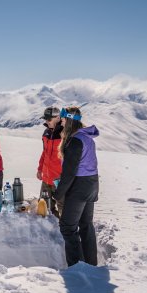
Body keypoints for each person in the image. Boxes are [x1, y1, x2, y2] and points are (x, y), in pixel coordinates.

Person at [53, 106, 99, 267]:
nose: (61, 121)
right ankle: (91, 265)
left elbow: (69, 172)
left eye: (64, 119)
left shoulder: (74, 141)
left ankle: (77, 268)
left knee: (67, 227)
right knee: (86, 225)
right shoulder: (86, 137)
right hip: (91, 183)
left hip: (79, 186)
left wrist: (58, 193)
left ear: (70, 120)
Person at [37, 106, 64, 218]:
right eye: (45, 119)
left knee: (63, 207)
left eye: (49, 119)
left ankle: (66, 232)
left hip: (60, 179)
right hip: (46, 178)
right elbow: (45, 153)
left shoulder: (64, 134)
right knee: (45, 206)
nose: (46, 122)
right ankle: (51, 231)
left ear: (58, 118)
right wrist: (39, 169)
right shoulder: (46, 133)